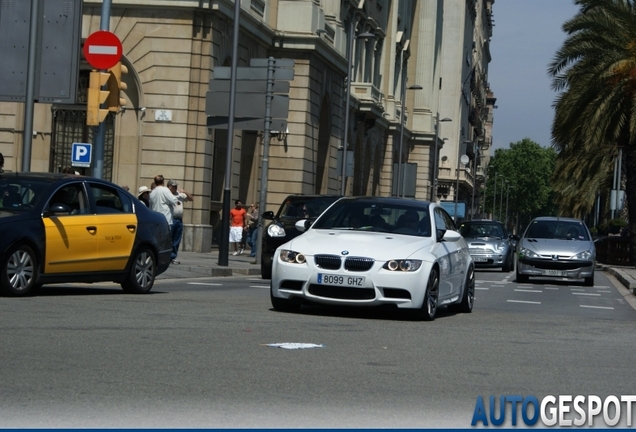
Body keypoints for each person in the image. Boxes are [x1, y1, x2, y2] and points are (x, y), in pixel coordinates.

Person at [149, 175, 180, 262]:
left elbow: (150, 206)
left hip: (155, 219)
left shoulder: (152, 192)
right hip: (165, 219)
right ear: (163, 182)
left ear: (155, 182)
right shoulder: (165, 190)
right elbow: (174, 201)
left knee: (157, 240)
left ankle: (156, 258)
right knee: (166, 240)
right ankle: (164, 259)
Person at [167, 179, 193, 264]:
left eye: (176, 186)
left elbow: (191, 198)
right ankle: (167, 257)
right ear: (169, 186)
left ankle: (173, 257)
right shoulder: (166, 194)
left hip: (179, 219)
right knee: (169, 239)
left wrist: (184, 191)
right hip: (171, 218)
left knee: (176, 239)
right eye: (173, 186)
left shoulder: (179, 195)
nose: (175, 188)